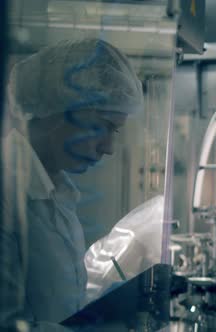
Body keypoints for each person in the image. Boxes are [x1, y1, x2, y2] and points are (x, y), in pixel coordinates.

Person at [0, 38, 143, 331]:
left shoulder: (57, 191)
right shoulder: (6, 193)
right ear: (60, 107)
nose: (109, 148)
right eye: (103, 126)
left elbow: (54, 302)